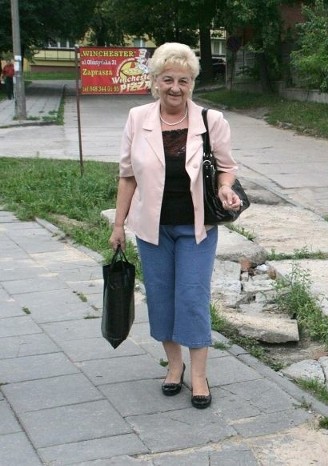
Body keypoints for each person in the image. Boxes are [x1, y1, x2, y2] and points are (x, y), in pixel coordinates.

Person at [108, 42, 242, 409]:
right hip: (153, 229)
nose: (175, 88)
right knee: (162, 297)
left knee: (192, 296)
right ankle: (174, 365)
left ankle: (198, 375)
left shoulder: (211, 122)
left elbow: (227, 167)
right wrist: (119, 225)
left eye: (183, 80)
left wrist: (226, 189)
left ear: (192, 83)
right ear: (155, 81)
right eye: (168, 79)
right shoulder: (138, 118)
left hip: (196, 227)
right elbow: (127, 176)